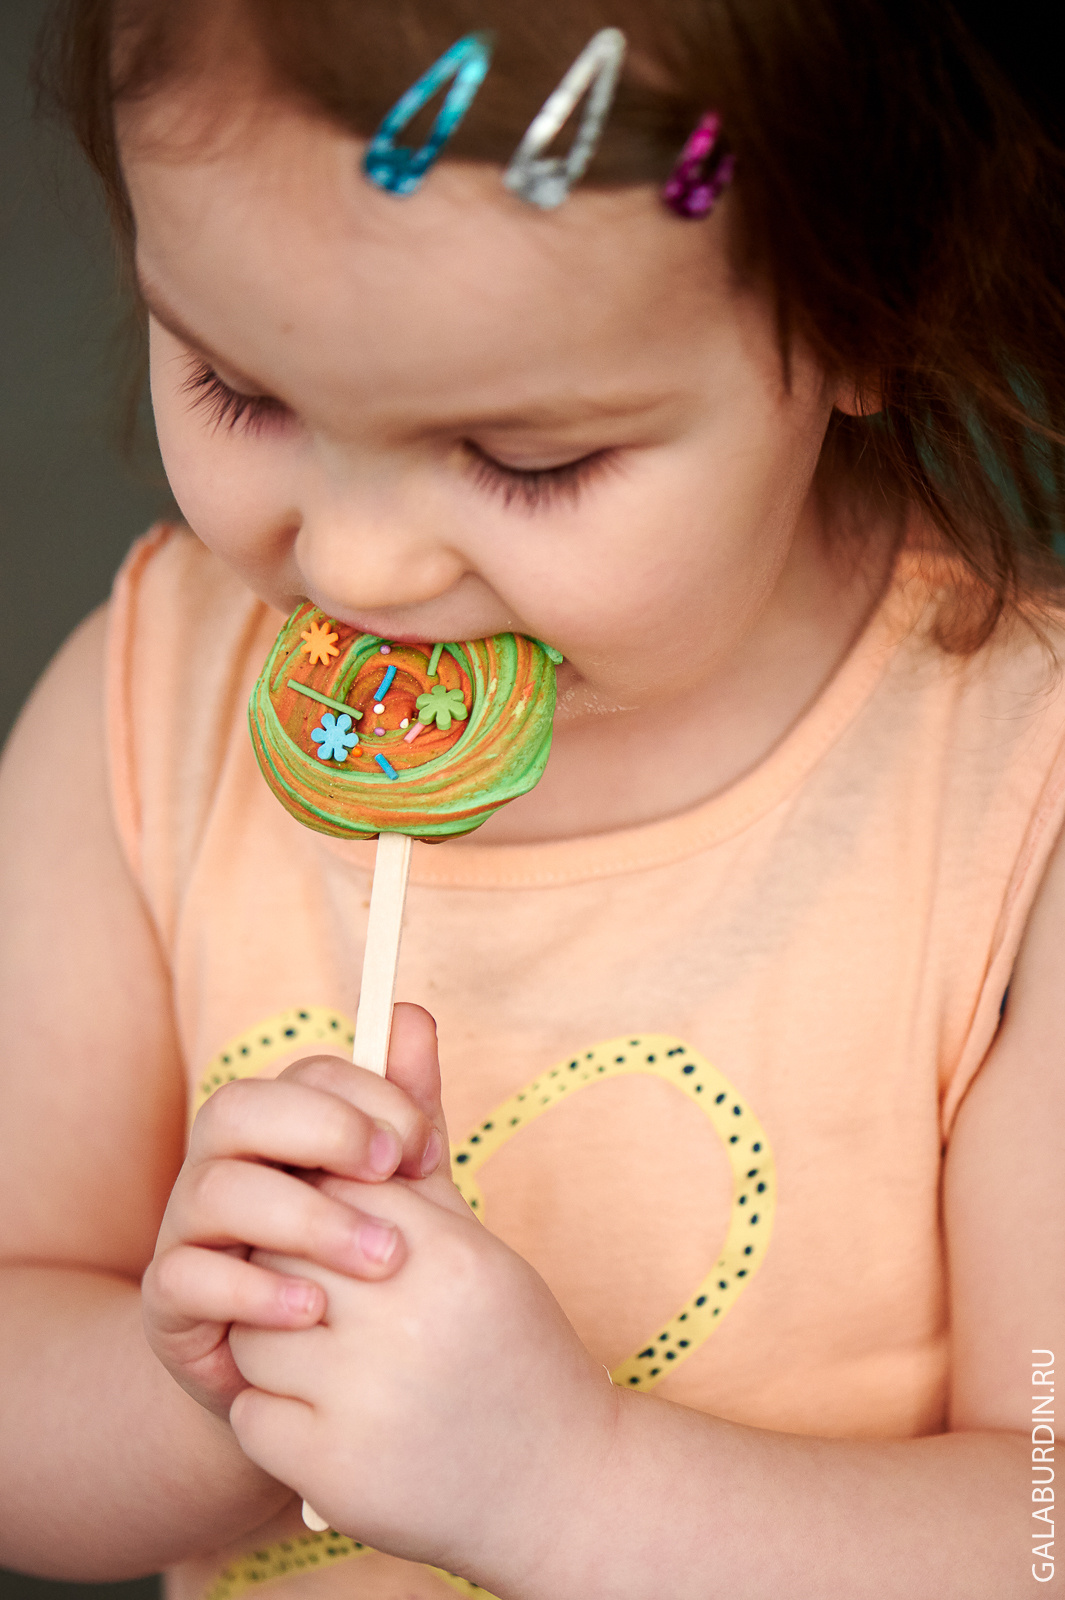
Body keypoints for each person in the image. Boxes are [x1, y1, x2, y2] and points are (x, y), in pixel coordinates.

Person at [1, 0, 1062, 1595]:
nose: (353, 567)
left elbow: (1042, 1524)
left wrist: (570, 1489)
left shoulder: (1017, 797)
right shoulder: (146, 713)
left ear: (867, 307)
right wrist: (222, 1398)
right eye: (239, 389)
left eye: (524, 459)